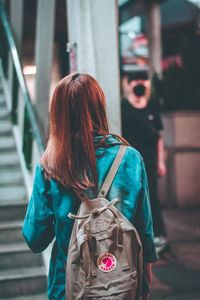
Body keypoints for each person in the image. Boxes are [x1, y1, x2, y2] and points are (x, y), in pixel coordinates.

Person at [23, 73, 157, 300]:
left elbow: (35, 238)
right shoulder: (130, 158)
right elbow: (144, 230)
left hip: (68, 287)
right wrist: (144, 283)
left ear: (58, 114)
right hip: (122, 283)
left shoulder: (50, 166)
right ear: (99, 107)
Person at [121, 70, 168, 255]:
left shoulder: (152, 106)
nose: (140, 83)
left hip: (150, 161)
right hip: (129, 164)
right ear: (129, 84)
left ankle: (158, 236)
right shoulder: (124, 108)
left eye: (143, 80)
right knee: (131, 198)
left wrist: (161, 161)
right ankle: (134, 238)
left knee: (152, 198)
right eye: (136, 80)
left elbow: (159, 137)